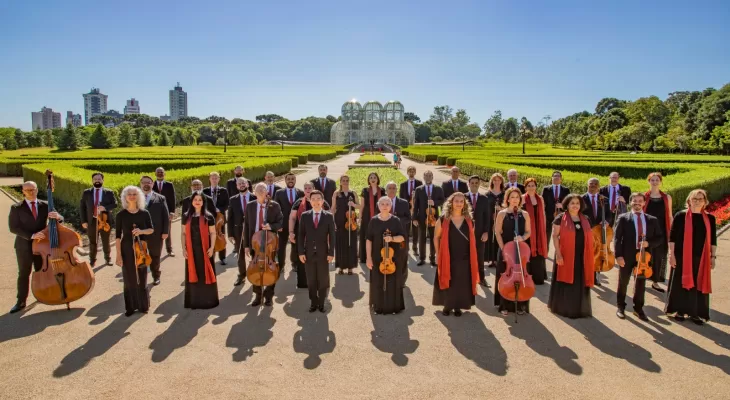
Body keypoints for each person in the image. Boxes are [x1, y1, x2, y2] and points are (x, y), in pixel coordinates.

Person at [8, 181, 64, 313]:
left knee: (41, 271)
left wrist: (59, 217)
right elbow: (13, 228)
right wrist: (31, 235)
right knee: (24, 273)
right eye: (28, 190)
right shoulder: (16, 207)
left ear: (37, 190)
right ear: (23, 191)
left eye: (33, 189)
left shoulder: (45, 205)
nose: (31, 192)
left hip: (42, 246)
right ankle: (21, 301)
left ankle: (44, 294)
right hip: (24, 245)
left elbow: (60, 218)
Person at [665, 189, 717, 325]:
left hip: (701, 258)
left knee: (698, 285)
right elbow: (672, 237)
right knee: (680, 284)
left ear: (705, 202)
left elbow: (713, 240)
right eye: (695, 199)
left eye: (701, 199)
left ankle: (695, 313)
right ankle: (679, 311)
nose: (697, 201)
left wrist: (713, 257)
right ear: (689, 200)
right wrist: (671, 255)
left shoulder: (710, 218)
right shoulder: (680, 216)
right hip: (681, 257)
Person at [613, 193, 663, 321]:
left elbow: (659, 238)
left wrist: (648, 243)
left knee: (640, 284)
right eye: (634, 201)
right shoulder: (623, 218)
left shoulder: (652, 220)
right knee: (623, 282)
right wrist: (618, 256)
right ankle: (621, 307)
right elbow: (617, 238)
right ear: (630, 203)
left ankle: (638, 309)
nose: (637, 203)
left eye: (640, 201)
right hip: (627, 255)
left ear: (644, 203)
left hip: (643, 257)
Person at [433, 192, 480, 316]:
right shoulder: (443, 219)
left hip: (464, 257)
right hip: (448, 255)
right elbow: (436, 237)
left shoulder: (470, 221)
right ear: (451, 203)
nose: (459, 204)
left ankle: (458, 306)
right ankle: (447, 306)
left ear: (464, 204)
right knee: (448, 280)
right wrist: (438, 254)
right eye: (456, 201)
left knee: (461, 282)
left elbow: (472, 239)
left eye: (461, 201)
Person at [550, 194, 594, 318]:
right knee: (567, 282)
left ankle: (579, 308)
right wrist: (558, 254)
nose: (575, 206)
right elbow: (554, 236)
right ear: (567, 205)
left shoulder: (586, 219)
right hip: (565, 255)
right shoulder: (560, 218)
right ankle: (565, 308)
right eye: (572, 203)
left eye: (577, 203)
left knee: (579, 282)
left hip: (582, 256)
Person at [114, 186, 154, 317]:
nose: (132, 196)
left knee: (142, 276)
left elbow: (151, 230)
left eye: (134, 194)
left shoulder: (144, 213)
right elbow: (118, 237)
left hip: (140, 249)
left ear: (138, 196)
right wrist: (118, 255)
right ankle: (130, 307)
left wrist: (141, 231)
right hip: (126, 249)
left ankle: (143, 305)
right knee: (129, 278)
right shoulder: (121, 215)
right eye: (129, 194)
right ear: (125, 197)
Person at [243, 183, 284, 307]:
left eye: (263, 189)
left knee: (272, 268)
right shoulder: (250, 206)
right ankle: (257, 295)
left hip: (269, 243)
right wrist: (246, 245)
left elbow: (281, 222)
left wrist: (271, 226)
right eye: (258, 189)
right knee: (255, 268)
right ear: (254, 192)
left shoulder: (274, 205)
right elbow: (247, 225)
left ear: (267, 192)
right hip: (255, 243)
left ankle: (269, 296)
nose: (261, 191)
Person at [366, 196, 407, 314]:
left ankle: (394, 307)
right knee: (378, 281)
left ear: (391, 206)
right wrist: (368, 258)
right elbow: (369, 240)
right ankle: (378, 306)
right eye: (382, 204)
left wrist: (392, 238)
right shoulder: (373, 221)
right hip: (377, 257)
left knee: (393, 281)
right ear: (378, 206)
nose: (385, 206)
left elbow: (402, 238)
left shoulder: (396, 220)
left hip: (393, 258)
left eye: (387, 204)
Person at [494, 187, 531, 316]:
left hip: (520, 250)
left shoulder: (525, 214)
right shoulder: (502, 213)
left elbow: (528, 232)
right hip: (506, 250)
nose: (515, 200)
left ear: (520, 199)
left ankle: (520, 304)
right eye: (512, 197)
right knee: (505, 277)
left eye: (517, 197)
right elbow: (497, 232)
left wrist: (523, 237)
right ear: (508, 199)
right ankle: (503, 305)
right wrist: (503, 248)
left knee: (520, 277)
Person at [298, 190, 336, 312]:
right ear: (310, 201)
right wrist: (301, 252)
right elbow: (301, 235)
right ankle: (313, 302)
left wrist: (331, 253)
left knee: (323, 279)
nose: (316, 202)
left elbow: (332, 236)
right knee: (311, 279)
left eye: (318, 199)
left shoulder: (328, 216)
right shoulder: (305, 216)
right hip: (308, 253)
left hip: (323, 254)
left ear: (322, 201)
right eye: (313, 199)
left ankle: (321, 303)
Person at [181, 191, 218, 309]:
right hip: (191, 250)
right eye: (195, 199)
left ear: (203, 202)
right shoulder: (186, 216)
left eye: (200, 200)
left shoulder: (208, 216)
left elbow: (213, 233)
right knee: (193, 273)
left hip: (205, 250)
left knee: (204, 273)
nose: (197, 202)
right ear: (192, 201)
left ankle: (208, 301)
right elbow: (183, 233)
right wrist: (183, 248)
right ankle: (194, 301)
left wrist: (212, 248)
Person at [290, 182, 331, 287]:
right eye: (305, 188)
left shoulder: (323, 202)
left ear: (314, 189)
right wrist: (291, 232)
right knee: (303, 259)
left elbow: (330, 217)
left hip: (320, 237)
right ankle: (304, 283)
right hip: (303, 235)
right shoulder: (298, 202)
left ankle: (321, 283)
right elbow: (292, 218)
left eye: (310, 188)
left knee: (321, 261)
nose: (307, 189)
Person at [80, 172, 117, 268]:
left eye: (99, 179)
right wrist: (83, 221)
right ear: (92, 181)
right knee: (92, 241)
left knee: (106, 240)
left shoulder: (109, 192)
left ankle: (108, 258)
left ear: (102, 180)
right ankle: (92, 260)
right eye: (95, 179)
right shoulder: (86, 192)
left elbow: (115, 204)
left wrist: (105, 208)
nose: (97, 181)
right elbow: (82, 207)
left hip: (105, 221)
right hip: (91, 221)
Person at [643, 172, 673, 293]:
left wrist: (672, 232)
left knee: (660, 255)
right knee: (646, 255)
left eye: (657, 180)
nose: (655, 182)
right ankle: (642, 278)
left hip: (661, 230)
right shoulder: (644, 196)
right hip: (647, 231)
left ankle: (655, 282)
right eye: (652, 180)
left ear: (660, 182)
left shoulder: (667, 197)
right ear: (649, 181)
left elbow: (670, 215)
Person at [582, 177, 613, 286]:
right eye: (591, 184)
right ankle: (586, 276)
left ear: (599, 186)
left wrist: (607, 222)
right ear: (587, 185)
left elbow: (609, 214)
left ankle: (596, 275)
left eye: (595, 184)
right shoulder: (581, 199)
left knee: (598, 252)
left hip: (600, 231)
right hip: (586, 230)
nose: (593, 185)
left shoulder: (604, 199)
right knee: (586, 253)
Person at [140, 175, 170, 285]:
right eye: (144, 182)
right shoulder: (135, 197)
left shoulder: (160, 198)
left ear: (152, 184)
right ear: (140, 184)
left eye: (148, 182)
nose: (146, 184)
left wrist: (165, 231)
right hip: (140, 233)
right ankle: (142, 279)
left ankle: (156, 276)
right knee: (140, 256)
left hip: (156, 233)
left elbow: (165, 216)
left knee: (155, 256)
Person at [412, 170, 445, 267]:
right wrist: (414, 218)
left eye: (430, 175)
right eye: (426, 175)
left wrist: (434, 203)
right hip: (422, 217)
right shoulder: (419, 189)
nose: (428, 177)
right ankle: (422, 258)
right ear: (423, 177)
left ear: (432, 177)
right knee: (421, 238)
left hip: (434, 218)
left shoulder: (438, 189)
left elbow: (443, 201)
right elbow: (416, 204)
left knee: (433, 238)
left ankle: (432, 258)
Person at [228, 177, 256, 286]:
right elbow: (230, 217)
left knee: (255, 252)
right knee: (240, 255)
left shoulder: (255, 197)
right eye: (239, 184)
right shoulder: (233, 199)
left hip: (253, 230)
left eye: (243, 183)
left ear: (248, 184)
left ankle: (255, 273)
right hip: (237, 230)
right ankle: (242, 275)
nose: (241, 185)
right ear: (236, 186)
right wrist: (230, 234)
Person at [273, 173, 303, 273]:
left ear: (295, 180)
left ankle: (294, 264)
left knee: (295, 246)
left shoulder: (301, 193)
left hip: (296, 225)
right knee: (281, 246)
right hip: (283, 225)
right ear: (285, 180)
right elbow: (276, 210)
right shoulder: (279, 193)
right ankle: (281, 265)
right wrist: (278, 224)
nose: (291, 180)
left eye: (292, 179)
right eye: (288, 179)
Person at [331, 175, 359, 275]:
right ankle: (341, 267)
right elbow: (333, 208)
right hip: (339, 221)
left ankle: (350, 267)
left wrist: (353, 205)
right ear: (341, 182)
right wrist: (332, 221)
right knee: (340, 244)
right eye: (343, 180)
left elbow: (359, 206)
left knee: (351, 243)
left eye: (347, 180)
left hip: (351, 221)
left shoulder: (353, 193)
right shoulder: (336, 193)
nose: (345, 182)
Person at [522, 178, 548, 285]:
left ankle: (538, 277)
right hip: (527, 229)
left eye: (533, 185)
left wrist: (544, 228)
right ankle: (527, 276)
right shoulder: (522, 198)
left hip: (538, 230)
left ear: (536, 187)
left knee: (538, 253)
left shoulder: (540, 198)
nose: (531, 188)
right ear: (525, 187)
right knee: (528, 253)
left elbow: (543, 214)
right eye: (529, 186)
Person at [466, 175, 490, 287]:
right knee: (465, 257)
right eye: (472, 183)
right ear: (468, 184)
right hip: (465, 233)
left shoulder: (484, 199)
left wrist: (486, 232)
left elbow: (487, 217)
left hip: (480, 234)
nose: (474, 185)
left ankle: (481, 278)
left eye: (476, 183)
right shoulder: (463, 198)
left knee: (480, 257)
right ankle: (467, 279)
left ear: (479, 184)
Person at [384, 181, 411, 282]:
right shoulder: (382, 202)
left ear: (396, 190)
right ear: (386, 190)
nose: (391, 190)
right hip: (386, 235)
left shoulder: (403, 202)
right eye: (389, 188)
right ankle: (389, 279)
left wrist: (396, 220)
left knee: (402, 257)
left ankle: (402, 280)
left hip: (401, 236)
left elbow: (408, 218)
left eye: (393, 188)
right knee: (388, 257)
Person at [358, 172, 386, 263]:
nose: (373, 179)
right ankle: (364, 257)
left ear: (377, 179)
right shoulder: (365, 190)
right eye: (371, 177)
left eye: (374, 177)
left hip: (379, 216)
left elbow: (385, 204)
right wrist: (360, 217)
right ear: (368, 180)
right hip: (367, 217)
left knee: (378, 236)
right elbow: (362, 205)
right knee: (365, 236)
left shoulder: (382, 190)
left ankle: (377, 256)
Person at [203, 172, 230, 265]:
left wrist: (219, 209)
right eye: (212, 178)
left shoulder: (224, 190)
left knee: (221, 236)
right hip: (209, 218)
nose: (214, 180)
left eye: (216, 178)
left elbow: (227, 204)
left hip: (220, 219)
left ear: (219, 179)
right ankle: (211, 256)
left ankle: (222, 257)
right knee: (210, 237)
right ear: (209, 179)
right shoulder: (205, 191)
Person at [541, 170, 570, 246]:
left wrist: (562, 205)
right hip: (548, 216)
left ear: (561, 179)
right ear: (552, 178)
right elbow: (542, 202)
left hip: (561, 217)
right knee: (546, 236)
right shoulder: (546, 189)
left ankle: (557, 255)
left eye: (558, 176)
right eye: (555, 176)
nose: (556, 178)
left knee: (560, 237)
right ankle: (545, 254)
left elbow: (569, 203)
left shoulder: (566, 190)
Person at [152, 167, 176, 257]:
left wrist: (172, 211)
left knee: (167, 231)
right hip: (155, 212)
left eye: (161, 172)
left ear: (164, 174)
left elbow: (172, 199)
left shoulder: (169, 185)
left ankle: (169, 250)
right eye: (158, 172)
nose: (160, 174)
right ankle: (154, 250)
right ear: (155, 174)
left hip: (167, 211)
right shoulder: (152, 184)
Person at [399, 166, 422, 254]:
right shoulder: (403, 184)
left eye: (413, 171)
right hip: (406, 211)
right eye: (410, 171)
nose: (411, 172)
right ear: (407, 172)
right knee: (406, 230)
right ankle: (406, 248)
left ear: (415, 172)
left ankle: (415, 248)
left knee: (415, 230)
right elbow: (401, 198)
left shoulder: (419, 183)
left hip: (416, 210)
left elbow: (421, 196)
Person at [484, 173, 505, 268]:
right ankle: (491, 259)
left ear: (501, 181)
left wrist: (501, 209)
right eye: (495, 180)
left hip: (501, 220)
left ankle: (498, 259)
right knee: (490, 239)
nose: (496, 182)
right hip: (489, 220)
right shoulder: (487, 194)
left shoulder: (505, 194)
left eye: (498, 180)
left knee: (499, 238)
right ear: (492, 181)